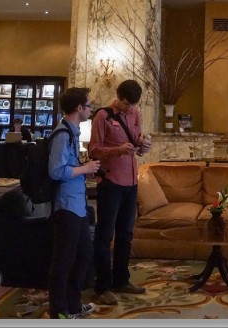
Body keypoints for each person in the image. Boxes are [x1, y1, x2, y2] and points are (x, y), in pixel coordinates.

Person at [88, 79, 152, 305]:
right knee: (105, 235)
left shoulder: (135, 113)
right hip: (111, 182)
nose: (130, 108)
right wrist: (117, 150)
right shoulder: (102, 116)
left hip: (131, 182)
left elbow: (137, 142)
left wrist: (144, 146)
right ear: (118, 97)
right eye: (126, 104)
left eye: (133, 105)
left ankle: (121, 280)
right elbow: (93, 151)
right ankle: (102, 286)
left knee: (126, 234)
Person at [46, 86, 101, 320]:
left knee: (83, 255)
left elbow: (69, 167)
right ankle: (59, 310)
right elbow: (56, 171)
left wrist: (84, 172)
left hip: (78, 204)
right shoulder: (62, 134)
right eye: (89, 105)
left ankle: (74, 304)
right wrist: (84, 168)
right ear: (79, 108)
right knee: (64, 260)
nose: (91, 109)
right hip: (66, 205)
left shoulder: (73, 131)